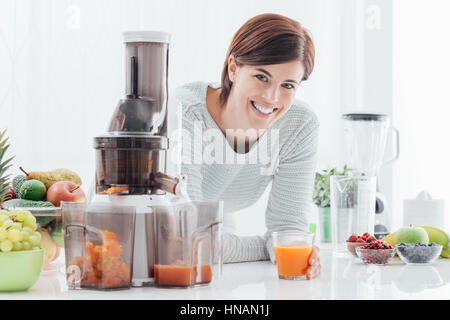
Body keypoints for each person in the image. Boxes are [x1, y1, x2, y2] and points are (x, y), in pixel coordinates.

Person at [172, 13, 321, 279]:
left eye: (287, 85)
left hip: (217, 244)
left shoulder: (299, 125)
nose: (271, 97)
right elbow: (189, 239)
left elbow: (289, 226)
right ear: (233, 68)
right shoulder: (185, 113)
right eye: (261, 77)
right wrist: (271, 246)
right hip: (135, 243)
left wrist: (288, 245)